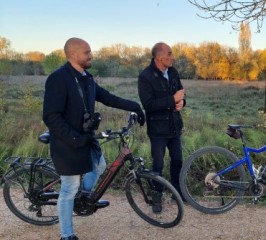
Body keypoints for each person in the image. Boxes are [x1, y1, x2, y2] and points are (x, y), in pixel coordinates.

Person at [43, 37, 145, 240]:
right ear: (73, 54)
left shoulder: (87, 78)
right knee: (69, 188)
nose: (91, 55)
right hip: (66, 142)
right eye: (87, 52)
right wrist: (74, 138)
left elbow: (107, 97)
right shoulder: (58, 78)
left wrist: (134, 105)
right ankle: (66, 235)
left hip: (86, 137)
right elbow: (50, 116)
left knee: (99, 166)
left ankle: (85, 198)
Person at [138, 42, 186, 212]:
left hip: (174, 126)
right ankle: (156, 197)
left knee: (178, 161)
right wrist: (173, 100)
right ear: (159, 57)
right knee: (157, 165)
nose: (173, 57)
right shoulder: (146, 76)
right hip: (158, 130)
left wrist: (181, 103)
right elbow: (149, 105)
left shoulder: (173, 72)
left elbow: (180, 94)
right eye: (170, 53)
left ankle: (177, 192)